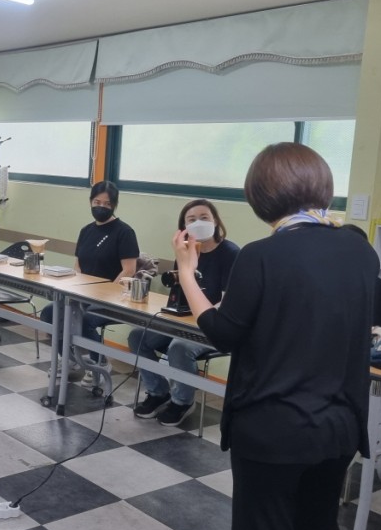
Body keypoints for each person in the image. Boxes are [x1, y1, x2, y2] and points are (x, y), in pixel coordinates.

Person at [171, 142, 380, 530]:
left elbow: (224, 332)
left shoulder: (262, 255)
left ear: (260, 197)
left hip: (273, 430)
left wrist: (186, 272)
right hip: (338, 427)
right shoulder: (359, 250)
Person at [130, 199, 240, 426]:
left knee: (179, 346)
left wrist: (204, 316)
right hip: (183, 320)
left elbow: (228, 302)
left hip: (214, 326)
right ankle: (158, 392)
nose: (198, 222)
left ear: (216, 222)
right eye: (192, 219)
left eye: (204, 217)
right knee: (138, 336)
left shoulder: (230, 253)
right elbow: (178, 294)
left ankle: (182, 401)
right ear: (184, 227)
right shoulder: (184, 253)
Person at [40, 181, 139, 373]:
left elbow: (129, 270)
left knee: (84, 319)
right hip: (84, 294)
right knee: (50, 312)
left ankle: (100, 364)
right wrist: (75, 289)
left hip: (112, 298)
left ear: (114, 205)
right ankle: (69, 359)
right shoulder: (86, 231)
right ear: (90, 202)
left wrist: (106, 293)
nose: (101, 207)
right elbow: (78, 265)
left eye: (107, 204)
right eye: (97, 202)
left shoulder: (124, 232)